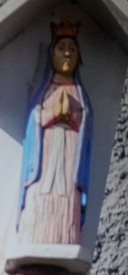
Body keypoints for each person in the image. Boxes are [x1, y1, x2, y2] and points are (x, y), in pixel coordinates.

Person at [17, 21, 92, 245]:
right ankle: (35, 233)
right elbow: (33, 122)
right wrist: (51, 115)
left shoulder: (80, 94)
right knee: (41, 191)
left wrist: (71, 117)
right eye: (61, 48)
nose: (67, 53)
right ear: (51, 54)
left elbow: (87, 126)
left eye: (72, 49)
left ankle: (66, 235)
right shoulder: (43, 91)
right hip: (44, 156)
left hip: (69, 155)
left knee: (67, 195)